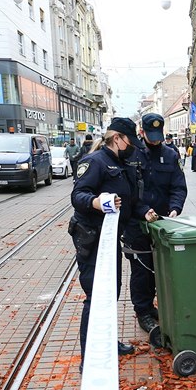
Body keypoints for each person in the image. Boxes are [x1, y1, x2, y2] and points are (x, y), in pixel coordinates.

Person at [69, 117, 146, 359]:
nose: (132, 146)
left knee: (111, 290)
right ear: (117, 139)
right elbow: (78, 195)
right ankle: (89, 357)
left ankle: (107, 341)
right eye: (128, 141)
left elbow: (132, 200)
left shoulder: (123, 163)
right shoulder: (95, 161)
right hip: (92, 239)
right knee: (95, 294)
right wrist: (97, 202)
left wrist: (146, 211)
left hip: (111, 237)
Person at [125, 114, 187, 336]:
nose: (155, 141)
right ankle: (143, 311)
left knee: (161, 267)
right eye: (151, 136)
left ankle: (156, 307)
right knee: (142, 269)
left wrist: (175, 208)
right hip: (137, 223)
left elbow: (178, 187)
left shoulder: (170, 155)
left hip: (162, 223)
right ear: (142, 132)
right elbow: (127, 190)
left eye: (158, 137)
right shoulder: (131, 155)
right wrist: (142, 211)